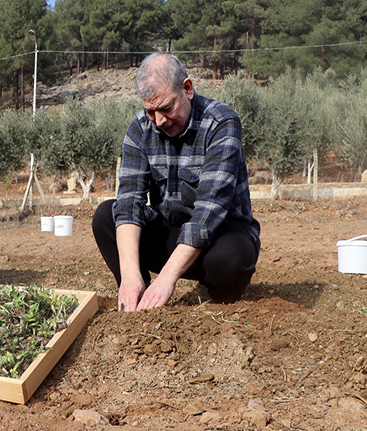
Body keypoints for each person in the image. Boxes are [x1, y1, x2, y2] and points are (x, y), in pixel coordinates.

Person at [92, 53, 260, 312]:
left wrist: (168, 279)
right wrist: (129, 275)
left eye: (167, 108)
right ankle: (139, 292)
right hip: (172, 233)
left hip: (220, 237)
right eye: (150, 111)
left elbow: (208, 213)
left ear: (187, 89)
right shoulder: (139, 130)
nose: (159, 120)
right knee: (107, 215)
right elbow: (129, 203)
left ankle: (218, 299)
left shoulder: (221, 123)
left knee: (230, 260)